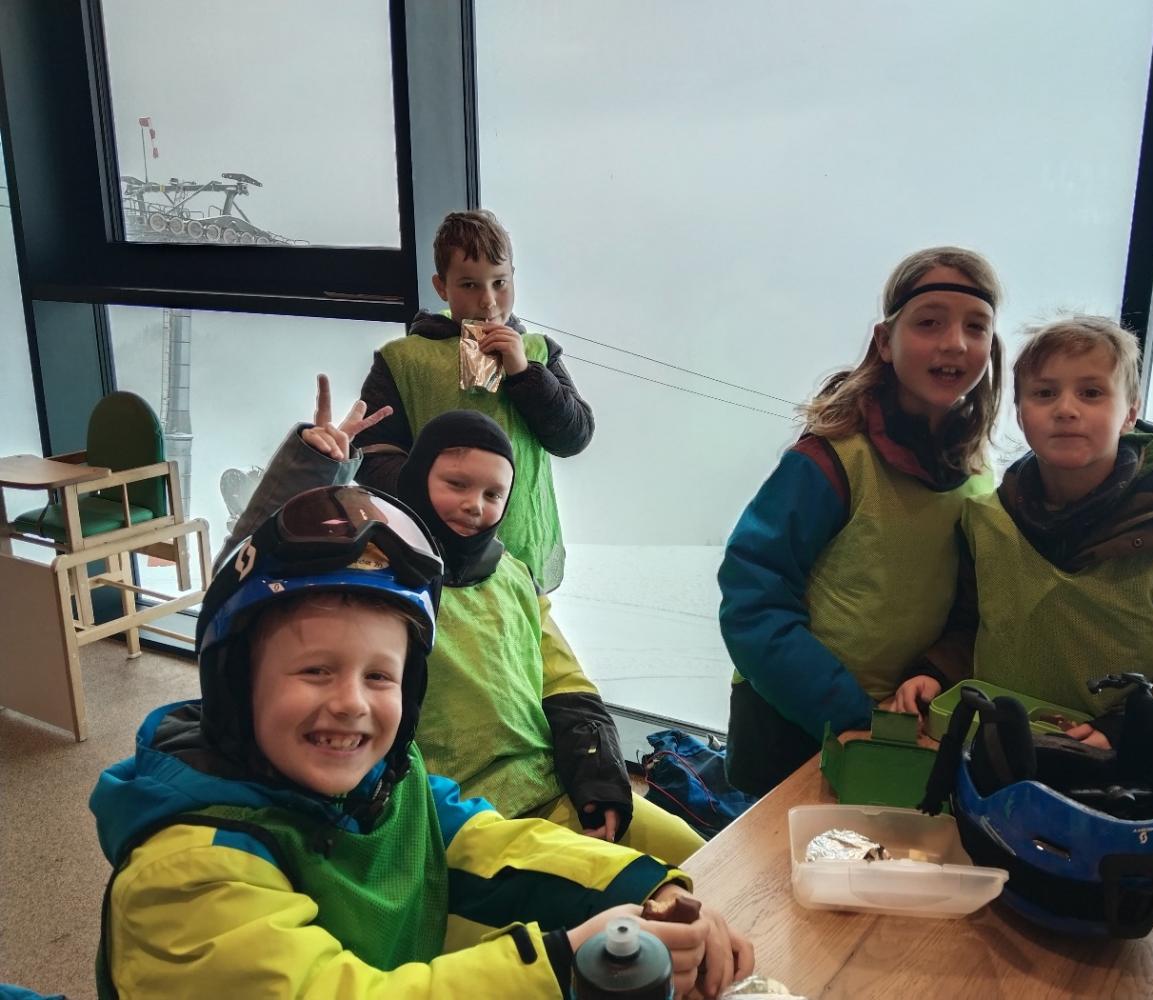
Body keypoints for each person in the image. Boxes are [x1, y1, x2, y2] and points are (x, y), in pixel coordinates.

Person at [90, 486, 751, 997]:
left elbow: (489, 845)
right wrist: (557, 963)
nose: (352, 702)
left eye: (380, 676)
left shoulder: (388, 783)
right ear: (237, 684)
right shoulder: (187, 876)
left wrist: (645, 890)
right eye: (315, 670)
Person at [227, 376, 703, 864]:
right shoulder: (379, 570)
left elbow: (565, 682)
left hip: (549, 785)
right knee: (630, 883)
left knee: (696, 854)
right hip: (457, 811)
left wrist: (597, 778)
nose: (475, 504)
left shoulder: (511, 573)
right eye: (456, 484)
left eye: (494, 494)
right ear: (417, 477)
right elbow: (244, 579)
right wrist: (311, 468)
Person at [892, 315, 1153, 802]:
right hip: (994, 767)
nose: (1066, 409)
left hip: (1115, 783)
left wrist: (1128, 727)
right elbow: (971, 626)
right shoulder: (986, 523)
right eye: (1044, 393)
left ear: (1130, 414)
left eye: (1091, 393)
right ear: (1019, 412)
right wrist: (935, 673)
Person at [719, 247, 1005, 797]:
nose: (954, 343)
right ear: (884, 342)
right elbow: (752, 599)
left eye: (976, 327)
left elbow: (970, 608)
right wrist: (850, 716)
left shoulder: (977, 476)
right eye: (929, 322)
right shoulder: (832, 458)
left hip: (904, 727)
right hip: (796, 723)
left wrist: (933, 676)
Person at [353, 209, 591, 592]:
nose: (488, 301)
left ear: (514, 276)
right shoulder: (403, 360)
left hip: (524, 560)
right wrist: (432, 499)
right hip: (432, 560)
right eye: (469, 284)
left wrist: (525, 374)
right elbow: (372, 453)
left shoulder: (538, 352)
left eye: (500, 282)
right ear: (441, 287)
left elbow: (574, 437)